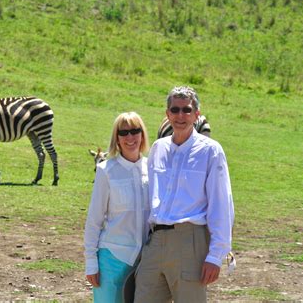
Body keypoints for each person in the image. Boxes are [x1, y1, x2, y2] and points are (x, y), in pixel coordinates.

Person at [134, 86, 234, 303]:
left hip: (190, 241)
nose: (181, 115)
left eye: (187, 110)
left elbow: (221, 204)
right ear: (167, 114)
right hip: (156, 239)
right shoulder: (158, 149)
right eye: (175, 110)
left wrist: (216, 256)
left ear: (197, 114)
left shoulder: (211, 151)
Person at [84, 112, 151, 302]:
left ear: (142, 135)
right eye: (124, 132)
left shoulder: (153, 169)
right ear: (117, 138)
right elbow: (94, 220)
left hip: (145, 262)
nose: (130, 137)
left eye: (135, 131)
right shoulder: (106, 170)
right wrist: (91, 262)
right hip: (112, 259)